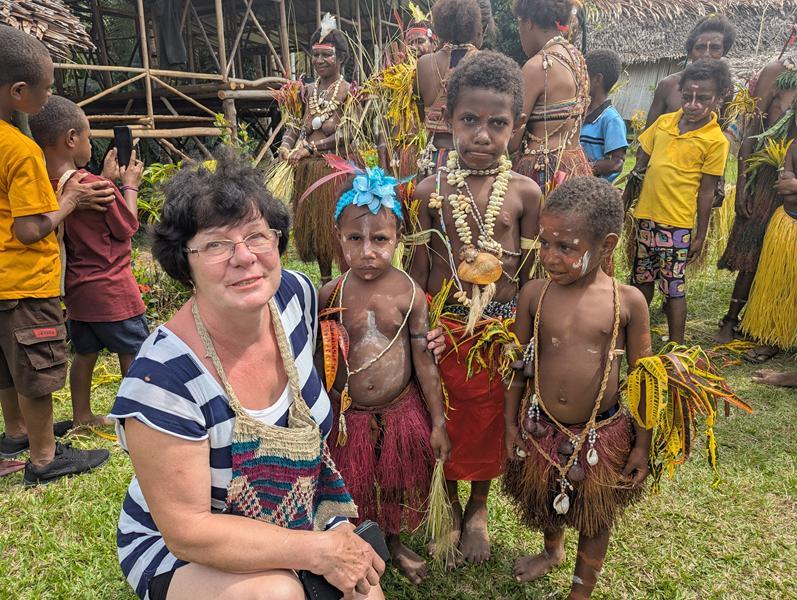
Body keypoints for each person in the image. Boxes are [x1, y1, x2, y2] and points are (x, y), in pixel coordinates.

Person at [107, 153, 387, 600]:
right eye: (216, 245)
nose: (244, 257)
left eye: (257, 235)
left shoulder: (294, 295)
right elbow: (189, 531)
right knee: (276, 593)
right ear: (184, 262)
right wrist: (318, 552)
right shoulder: (162, 379)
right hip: (187, 547)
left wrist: (331, 538)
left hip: (297, 509)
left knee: (366, 593)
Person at [410, 51, 541, 564]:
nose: (482, 135)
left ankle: (478, 507)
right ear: (448, 120)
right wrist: (421, 329)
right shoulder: (429, 192)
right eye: (469, 120)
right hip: (444, 328)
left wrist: (523, 337)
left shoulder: (526, 194)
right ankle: (445, 498)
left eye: (497, 123)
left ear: (516, 125)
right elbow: (419, 272)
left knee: (488, 419)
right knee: (444, 414)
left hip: (499, 331)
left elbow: (530, 278)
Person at [503, 176, 652, 598]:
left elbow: (646, 381)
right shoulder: (534, 295)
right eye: (545, 243)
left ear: (606, 246)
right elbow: (516, 367)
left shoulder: (627, 302)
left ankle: (580, 591)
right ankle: (552, 551)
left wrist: (642, 444)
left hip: (601, 434)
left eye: (566, 247)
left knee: (594, 517)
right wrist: (509, 424)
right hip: (541, 427)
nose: (550, 256)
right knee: (546, 499)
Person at [316, 167, 450, 584]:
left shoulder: (409, 292)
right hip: (348, 416)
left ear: (398, 238)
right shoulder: (331, 294)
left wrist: (438, 419)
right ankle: (359, 543)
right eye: (355, 239)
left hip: (399, 410)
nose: (368, 251)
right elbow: (319, 360)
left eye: (380, 239)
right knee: (353, 483)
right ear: (339, 239)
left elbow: (423, 360)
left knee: (394, 480)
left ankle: (392, 540)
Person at [0, 26, 114, 484]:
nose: (49, 96)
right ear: (18, 91)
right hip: (25, 282)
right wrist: (68, 202)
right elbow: (29, 229)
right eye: (46, 88)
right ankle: (45, 458)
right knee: (36, 373)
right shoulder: (21, 150)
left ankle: (15, 435)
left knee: (8, 370)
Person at [28, 96, 147, 428]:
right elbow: (127, 227)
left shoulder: (46, 188)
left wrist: (105, 178)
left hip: (78, 292)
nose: (91, 145)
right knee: (133, 350)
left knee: (84, 354)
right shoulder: (97, 187)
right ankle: (136, 418)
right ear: (71, 139)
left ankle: (82, 415)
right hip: (113, 290)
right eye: (88, 137)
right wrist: (129, 186)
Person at [627, 59, 731, 344]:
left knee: (673, 288)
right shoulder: (664, 123)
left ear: (718, 98)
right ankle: (634, 335)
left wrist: (700, 234)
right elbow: (640, 165)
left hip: (676, 226)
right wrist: (626, 201)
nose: (693, 105)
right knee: (641, 280)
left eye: (703, 98)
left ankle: (677, 347)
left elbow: (707, 192)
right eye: (687, 97)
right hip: (646, 218)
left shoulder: (716, 141)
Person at [715, 53, 797, 350]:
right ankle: (731, 319)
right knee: (752, 249)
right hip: (765, 176)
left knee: (786, 258)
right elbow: (751, 131)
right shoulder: (777, 71)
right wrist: (744, 184)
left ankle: (770, 324)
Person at [277, 14, 352, 284]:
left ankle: (349, 281)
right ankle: (325, 281)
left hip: (336, 171)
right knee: (318, 231)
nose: (319, 60)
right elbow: (293, 125)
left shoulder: (350, 92)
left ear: (341, 58)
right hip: (308, 172)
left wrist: (311, 147)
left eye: (326, 55)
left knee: (339, 226)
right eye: (315, 54)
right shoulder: (305, 92)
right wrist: (286, 146)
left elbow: (349, 135)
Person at [511, 0, 592, 198]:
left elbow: (511, 139)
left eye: (519, 24)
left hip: (541, 175)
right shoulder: (578, 61)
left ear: (529, 22)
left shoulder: (537, 66)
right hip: (573, 171)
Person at [737, 121, 797, 362]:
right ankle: (773, 335)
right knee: (780, 284)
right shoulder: (794, 146)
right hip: (787, 224)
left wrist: (795, 184)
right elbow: (783, 186)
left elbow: (791, 184)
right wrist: (791, 183)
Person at [415, 0, 482, 176]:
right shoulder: (482, 61)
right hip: (470, 159)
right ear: (475, 27)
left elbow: (419, 112)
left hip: (433, 160)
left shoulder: (424, 64)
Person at [645, 15, 736, 127]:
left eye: (715, 48)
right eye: (700, 48)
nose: (706, 54)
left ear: (724, 51)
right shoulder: (669, 85)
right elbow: (648, 131)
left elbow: (721, 128)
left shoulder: (725, 89)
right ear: (690, 51)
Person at [580, 49, 628, 182]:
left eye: (584, 75)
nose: (580, 80)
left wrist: (584, 168)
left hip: (592, 188)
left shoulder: (611, 120)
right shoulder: (580, 112)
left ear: (597, 79)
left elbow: (617, 163)